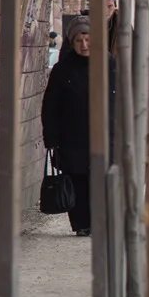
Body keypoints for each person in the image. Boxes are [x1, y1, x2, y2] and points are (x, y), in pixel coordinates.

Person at [41, 16, 116, 236]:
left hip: (106, 134)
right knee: (78, 179)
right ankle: (82, 224)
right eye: (79, 41)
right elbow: (50, 106)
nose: (84, 45)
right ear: (72, 43)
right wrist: (52, 139)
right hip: (72, 137)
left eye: (88, 39)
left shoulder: (110, 64)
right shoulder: (63, 70)